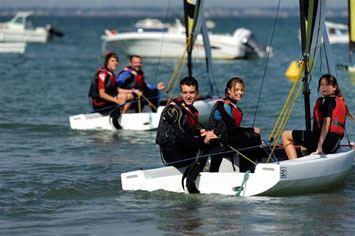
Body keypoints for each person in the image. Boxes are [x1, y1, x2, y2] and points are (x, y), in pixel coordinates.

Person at [282, 74, 354, 160]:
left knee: (285, 135)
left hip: (325, 144)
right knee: (303, 144)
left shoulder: (328, 102)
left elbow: (326, 124)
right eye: (321, 84)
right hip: (333, 145)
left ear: (334, 87)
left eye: (327, 84)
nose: (324, 87)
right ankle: (307, 161)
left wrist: (319, 146)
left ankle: (294, 165)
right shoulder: (337, 100)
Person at [156, 76, 217, 168]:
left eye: (191, 92)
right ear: (181, 93)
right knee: (208, 145)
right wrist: (204, 139)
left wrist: (199, 132)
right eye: (185, 93)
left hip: (181, 148)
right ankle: (192, 180)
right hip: (173, 156)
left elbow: (181, 131)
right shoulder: (175, 111)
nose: (188, 96)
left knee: (213, 141)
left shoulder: (187, 109)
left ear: (197, 93)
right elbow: (182, 138)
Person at [208, 77, 262, 172]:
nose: (240, 92)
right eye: (236, 89)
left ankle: (255, 164)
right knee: (248, 137)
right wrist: (252, 130)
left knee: (251, 137)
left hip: (227, 139)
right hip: (219, 142)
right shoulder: (223, 105)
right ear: (229, 90)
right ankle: (246, 171)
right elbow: (232, 129)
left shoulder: (233, 106)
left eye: (242, 90)